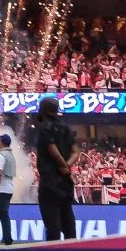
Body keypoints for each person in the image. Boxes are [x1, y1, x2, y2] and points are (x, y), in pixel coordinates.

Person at [33, 97, 78, 240]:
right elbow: (76, 151)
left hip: (50, 181)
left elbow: (52, 149)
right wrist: (67, 167)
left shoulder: (44, 128)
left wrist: (62, 166)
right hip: (65, 182)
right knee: (69, 223)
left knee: (53, 225)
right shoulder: (66, 128)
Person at [0, 134, 16, 245]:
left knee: (3, 216)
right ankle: (5, 237)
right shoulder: (10, 154)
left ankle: (7, 239)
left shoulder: (1, 155)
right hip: (8, 189)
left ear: (2, 142)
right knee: (4, 215)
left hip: (1, 189)